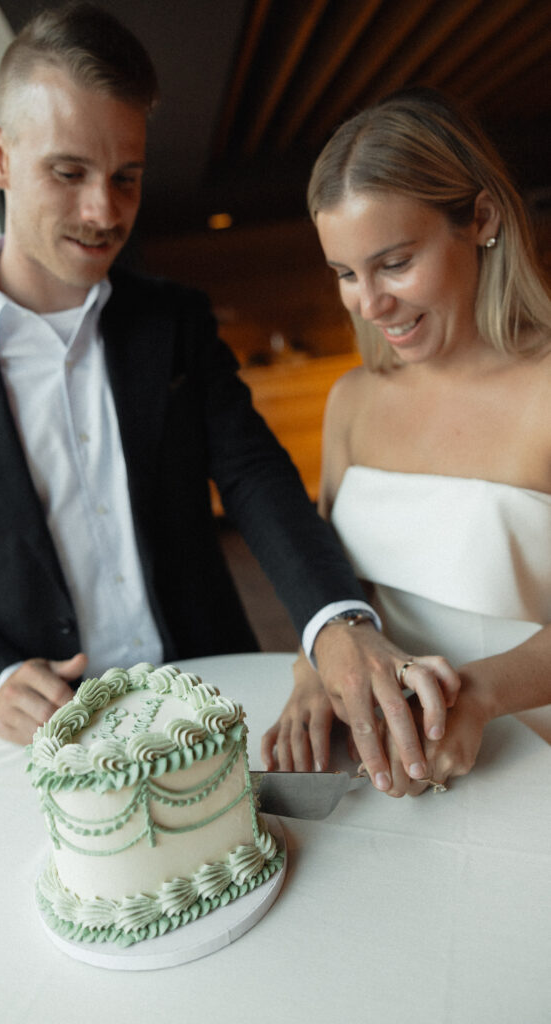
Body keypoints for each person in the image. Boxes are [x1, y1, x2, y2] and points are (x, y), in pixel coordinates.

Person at [0, 6, 457, 775]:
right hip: (35, 740)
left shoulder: (174, 321)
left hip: (213, 700)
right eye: (68, 172)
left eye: (126, 178)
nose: (103, 211)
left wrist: (334, 621)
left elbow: (254, 476)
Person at [263, 87, 551, 795]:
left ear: (479, 218)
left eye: (393, 263)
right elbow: (336, 580)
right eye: (344, 274)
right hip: (390, 767)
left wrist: (478, 695)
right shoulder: (351, 401)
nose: (368, 302)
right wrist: (314, 668)